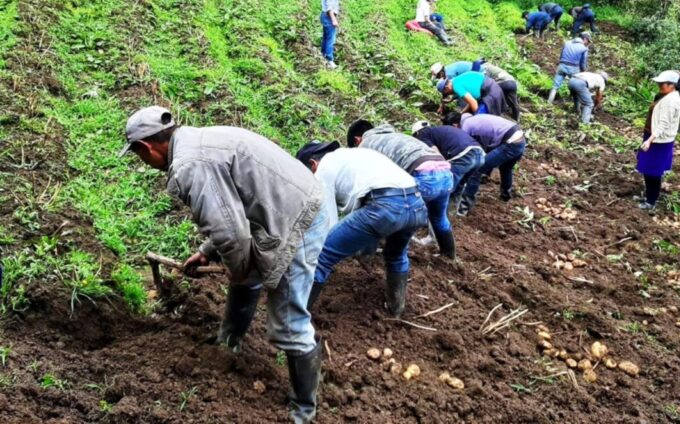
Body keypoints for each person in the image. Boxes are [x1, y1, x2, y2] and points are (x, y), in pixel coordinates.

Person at [119, 106, 330, 423]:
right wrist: (207, 252)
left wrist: (238, 267)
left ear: (146, 147)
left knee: (287, 321)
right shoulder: (198, 141)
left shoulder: (190, 165)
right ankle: (228, 342)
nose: (143, 163)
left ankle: (304, 410)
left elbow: (231, 233)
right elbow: (232, 207)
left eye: (138, 155)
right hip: (287, 207)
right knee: (245, 272)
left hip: (296, 220)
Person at [297, 141, 427, 318]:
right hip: (417, 204)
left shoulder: (323, 169)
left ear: (313, 164)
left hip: (386, 206)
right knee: (396, 255)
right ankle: (396, 308)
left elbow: (327, 223)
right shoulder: (354, 155)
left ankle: (296, 318)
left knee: (322, 255)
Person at [346, 121, 456, 259]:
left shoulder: (365, 146)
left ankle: (368, 254)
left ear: (357, 140)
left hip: (421, 175)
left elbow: (367, 187)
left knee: (382, 210)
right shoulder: (395, 136)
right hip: (445, 173)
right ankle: (449, 255)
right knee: (438, 217)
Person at [443, 112, 526, 216]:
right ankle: (506, 195)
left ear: (454, 125)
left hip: (510, 143)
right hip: (519, 139)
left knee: (476, 171)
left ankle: (464, 207)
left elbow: (463, 150)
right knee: (506, 168)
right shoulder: (471, 119)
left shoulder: (465, 126)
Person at [636, 71, 680, 211]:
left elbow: (663, 124)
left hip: (659, 141)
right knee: (647, 169)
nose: (659, 86)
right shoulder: (666, 96)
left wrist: (650, 140)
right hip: (654, 136)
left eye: (662, 84)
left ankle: (651, 201)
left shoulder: (670, 101)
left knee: (653, 171)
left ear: (672, 85)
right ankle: (648, 195)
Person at [411, 120, 485, 207]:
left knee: (445, 186)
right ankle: (452, 214)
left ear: (417, 132)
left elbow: (435, 154)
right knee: (459, 186)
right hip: (479, 154)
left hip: (464, 155)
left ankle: (436, 215)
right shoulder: (438, 131)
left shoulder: (422, 133)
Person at [437, 71, 507, 116]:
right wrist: (461, 114)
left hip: (490, 93)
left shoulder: (456, 87)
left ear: (446, 88)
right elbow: (471, 101)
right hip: (493, 88)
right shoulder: (456, 80)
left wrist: (476, 118)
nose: (449, 94)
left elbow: (473, 102)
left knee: (483, 120)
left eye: (445, 93)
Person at [549, 32, 591, 104]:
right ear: (585, 39)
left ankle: (548, 102)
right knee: (576, 86)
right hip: (574, 68)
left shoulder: (567, 43)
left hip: (562, 65)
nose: (588, 43)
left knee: (555, 87)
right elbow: (583, 63)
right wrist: (583, 72)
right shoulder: (584, 49)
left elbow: (561, 55)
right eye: (588, 41)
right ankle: (576, 107)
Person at [320, 0, 346, 69]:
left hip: (324, 15)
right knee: (331, 39)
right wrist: (334, 19)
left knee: (326, 37)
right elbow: (329, 7)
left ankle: (323, 55)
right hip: (328, 16)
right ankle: (330, 60)